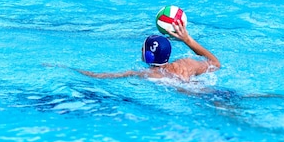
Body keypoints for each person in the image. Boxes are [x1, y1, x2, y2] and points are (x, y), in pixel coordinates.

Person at [72, 20, 220, 82]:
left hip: (199, 100)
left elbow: (103, 76)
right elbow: (215, 63)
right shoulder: (187, 64)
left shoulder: (148, 74)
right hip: (218, 93)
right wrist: (188, 40)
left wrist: (74, 70)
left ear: (148, 55)